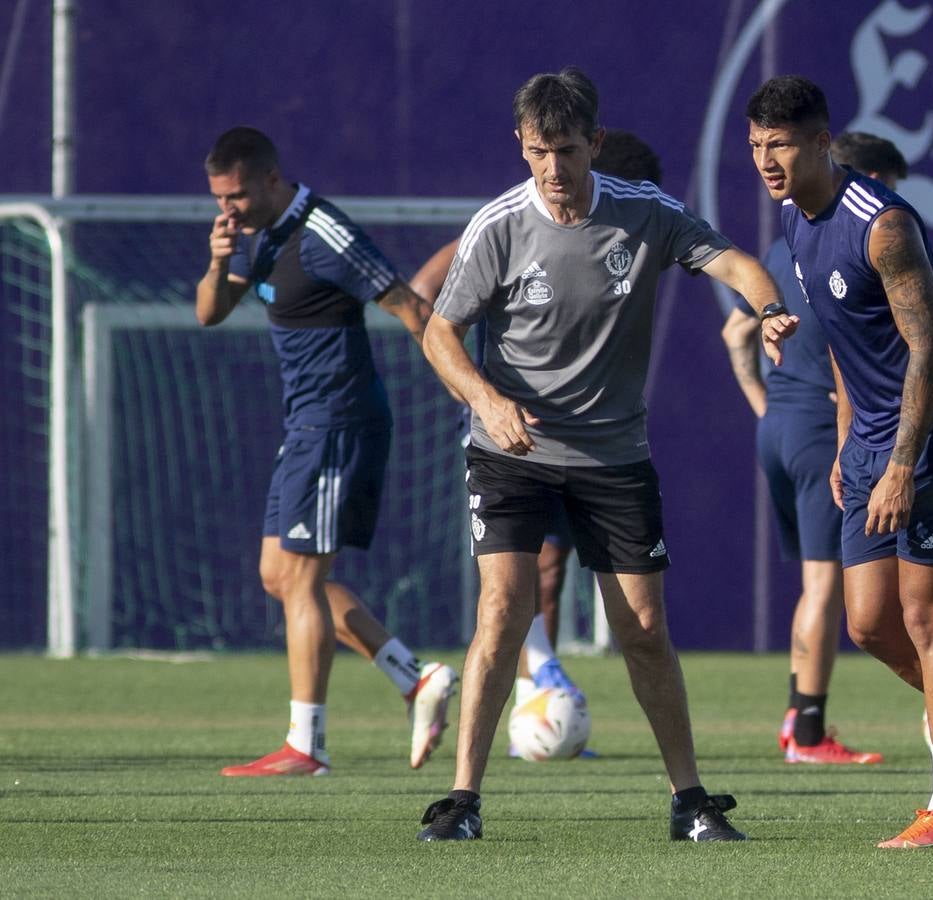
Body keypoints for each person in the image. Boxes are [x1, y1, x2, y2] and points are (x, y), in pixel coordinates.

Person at [415, 67, 796, 842]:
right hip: (509, 449)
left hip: (614, 455)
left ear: (594, 143)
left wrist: (771, 310)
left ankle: (690, 802)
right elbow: (439, 332)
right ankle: (462, 803)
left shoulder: (645, 213)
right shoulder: (499, 226)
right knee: (502, 612)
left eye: (566, 150)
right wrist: (488, 401)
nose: (553, 170)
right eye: (536, 152)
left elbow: (733, 263)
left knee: (645, 628)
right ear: (521, 149)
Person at [745, 77, 933, 848]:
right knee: (871, 624)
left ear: (821, 142)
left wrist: (899, 463)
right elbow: (852, 350)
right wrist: (853, 442)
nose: (766, 162)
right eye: (754, 147)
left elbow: (930, 348)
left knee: (928, 618)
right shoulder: (792, 219)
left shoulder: (880, 224)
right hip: (873, 440)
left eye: (779, 145)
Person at [195, 126, 458, 776]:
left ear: (272, 179)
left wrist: (473, 395)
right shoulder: (256, 237)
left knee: (303, 578)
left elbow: (412, 309)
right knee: (280, 578)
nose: (230, 209)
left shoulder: (323, 231)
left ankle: (306, 746)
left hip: (341, 423)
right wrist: (216, 259)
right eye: (220, 199)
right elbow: (210, 311)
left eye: (238, 197)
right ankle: (413, 678)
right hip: (306, 426)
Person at [409, 130, 665, 720]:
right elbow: (425, 300)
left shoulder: (625, 230)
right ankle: (537, 688)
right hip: (515, 434)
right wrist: (477, 394)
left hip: (591, 440)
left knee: (562, 576)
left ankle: (538, 696)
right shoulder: (510, 228)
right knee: (531, 575)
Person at [720, 132, 907, 767]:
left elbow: (735, 331)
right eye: (890, 185)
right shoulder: (855, 237)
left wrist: (766, 409)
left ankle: (795, 722)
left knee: (815, 582)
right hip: (822, 430)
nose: (894, 201)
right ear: (870, 176)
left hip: (780, 426)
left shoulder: (785, 240)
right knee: (824, 585)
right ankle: (807, 732)